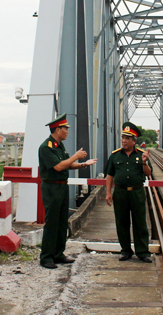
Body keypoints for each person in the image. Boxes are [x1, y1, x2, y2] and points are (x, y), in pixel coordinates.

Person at [39, 114, 97, 269]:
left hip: (62, 186)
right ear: (58, 130)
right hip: (52, 188)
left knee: (61, 221)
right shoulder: (46, 147)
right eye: (65, 129)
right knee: (52, 222)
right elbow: (58, 167)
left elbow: (66, 165)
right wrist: (75, 156)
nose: (67, 132)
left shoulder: (59, 146)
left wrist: (83, 164)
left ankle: (58, 254)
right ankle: (46, 257)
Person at [105, 122, 153, 262]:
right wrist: (108, 193)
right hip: (120, 192)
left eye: (127, 138)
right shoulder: (115, 156)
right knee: (122, 222)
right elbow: (109, 175)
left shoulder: (141, 155)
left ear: (134, 141)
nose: (124, 140)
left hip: (137, 192)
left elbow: (148, 173)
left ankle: (142, 252)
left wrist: (144, 162)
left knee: (140, 223)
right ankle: (126, 250)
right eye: (123, 137)